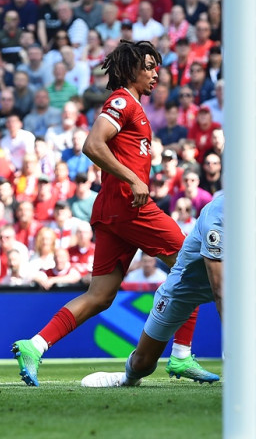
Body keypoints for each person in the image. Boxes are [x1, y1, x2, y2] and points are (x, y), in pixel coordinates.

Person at [12, 40, 216, 386]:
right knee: (193, 267)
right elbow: (92, 145)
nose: (155, 74)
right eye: (148, 67)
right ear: (131, 70)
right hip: (129, 206)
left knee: (100, 296)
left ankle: (34, 345)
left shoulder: (134, 106)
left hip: (112, 209)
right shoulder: (122, 102)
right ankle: (181, 355)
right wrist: (134, 179)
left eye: (156, 67)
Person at [80, 158, 256, 388]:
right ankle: (126, 378)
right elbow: (220, 289)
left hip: (244, 280)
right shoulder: (219, 216)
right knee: (143, 364)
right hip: (186, 287)